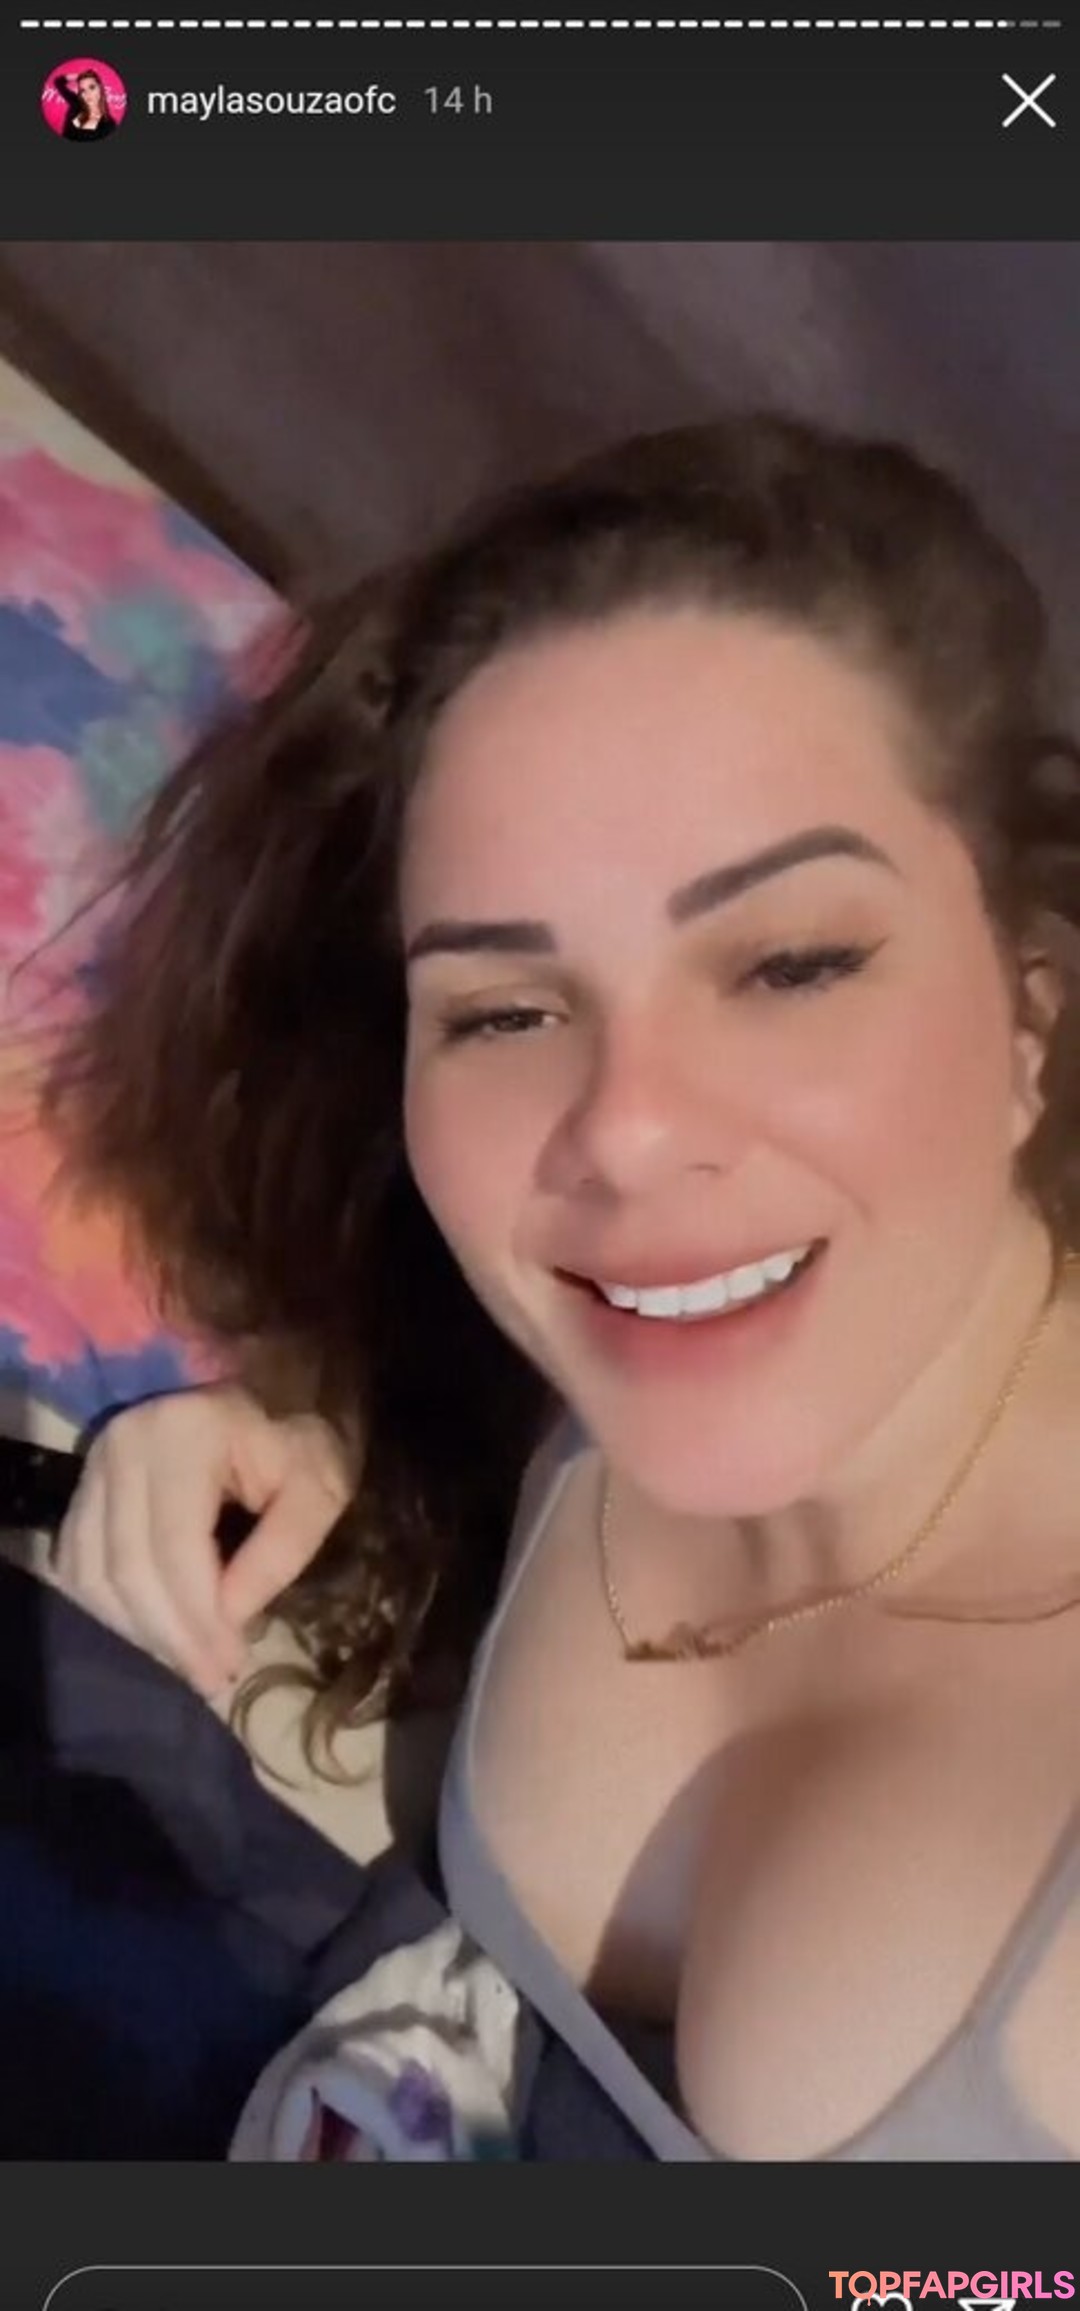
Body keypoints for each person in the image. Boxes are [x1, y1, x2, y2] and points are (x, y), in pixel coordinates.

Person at [40, 413, 1080, 2159]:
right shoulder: (600, 1372)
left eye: (791, 964)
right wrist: (321, 1449)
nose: (626, 1128)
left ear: (1028, 1014)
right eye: (507, 1009)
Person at [52, 68, 119, 142]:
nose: (87, 93)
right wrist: (79, 76)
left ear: (100, 88)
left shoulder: (108, 125)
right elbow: (58, 82)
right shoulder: (76, 103)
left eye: (92, 87)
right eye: (83, 90)